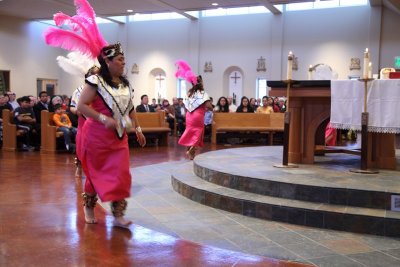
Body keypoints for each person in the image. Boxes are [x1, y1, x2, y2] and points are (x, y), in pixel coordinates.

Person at [77, 43, 146, 227]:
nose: (123, 62)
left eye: (123, 59)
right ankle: (89, 207)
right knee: (96, 175)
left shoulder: (125, 84)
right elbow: (81, 106)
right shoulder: (95, 81)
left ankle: (118, 215)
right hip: (97, 137)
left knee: (121, 175)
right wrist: (102, 118)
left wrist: (138, 129)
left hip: (119, 137)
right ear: (107, 61)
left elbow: (130, 108)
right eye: (120, 59)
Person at [176, 61, 212, 160]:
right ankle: (192, 149)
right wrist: (211, 107)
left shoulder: (189, 93)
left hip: (189, 116)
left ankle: (191, 155)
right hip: (198, 115)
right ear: (201, 83)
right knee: (198, 133)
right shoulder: (202, 93)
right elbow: (208, 105)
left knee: (190, 133)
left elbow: (185, 104)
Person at [70, 66, 100, 177]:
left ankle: (95, 168)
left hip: (98, 122)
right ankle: (79, 166)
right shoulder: (79, 91)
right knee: (81, 145)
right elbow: (72, 107)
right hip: (84, 122)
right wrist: (77, 111)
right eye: (94, 75)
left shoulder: (103, 91)